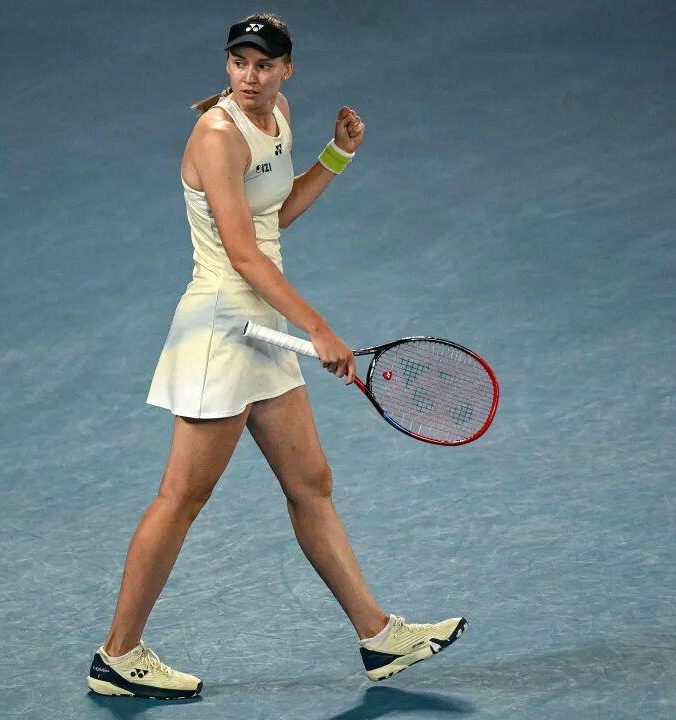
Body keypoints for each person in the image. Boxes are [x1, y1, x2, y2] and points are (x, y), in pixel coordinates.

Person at [87, 13, 466, 701]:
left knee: (310, 482)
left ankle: (379, 636)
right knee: (182, 497)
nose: (250, 76)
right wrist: (317, 327)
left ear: (286, 69)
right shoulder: (216, 135)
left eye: (264, 64)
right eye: (239, 62)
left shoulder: (279, 115)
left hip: (260, 323)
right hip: (219, 330)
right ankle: (118, 655)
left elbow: (274, 213)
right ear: (228, 65)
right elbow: (241, 252)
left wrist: (336, 155)